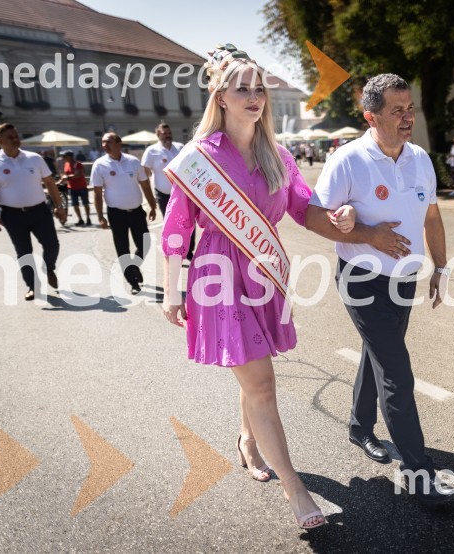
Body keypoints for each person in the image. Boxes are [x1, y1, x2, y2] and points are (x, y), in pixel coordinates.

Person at [160, 44, 355, 530]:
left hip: (265, 272)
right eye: (241, 88)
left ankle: (247, 440)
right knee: (262, 382)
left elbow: (304, 207)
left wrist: (342, 217)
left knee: (254, 374)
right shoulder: (199, 158)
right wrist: (171, 290)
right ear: (220, 97)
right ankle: (296, 489)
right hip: (218, 276)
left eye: (259, 88)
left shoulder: (277, 154)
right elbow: (177, 228)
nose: (253, 96)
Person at [306, 73, 454, 507]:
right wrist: (368, 234)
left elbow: (431, 217)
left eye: (410, 109)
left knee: (380, 353)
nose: (408, 118)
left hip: (404, 279)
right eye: (397, 111)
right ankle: (418, 473)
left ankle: (358, 426)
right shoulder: (347, 160)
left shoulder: (421, 158)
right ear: (371, 116)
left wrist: (440, 266)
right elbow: (314, 217)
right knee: (397, 370)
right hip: (360, 279)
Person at [0, 123, 66, 301]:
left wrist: (59, 206)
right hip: (12, 215)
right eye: (10, 137)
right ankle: (32, 286)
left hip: (40, 211)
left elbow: (50, 183)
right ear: (0, 141)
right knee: (23, 251)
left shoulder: (34, 158)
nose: (15, 139)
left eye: (16, 136)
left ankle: (48, 268)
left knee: (52, 245)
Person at [91, 132, 157, 295]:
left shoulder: (133, 162)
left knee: (145, 243)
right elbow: (97, 193)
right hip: (116, 214)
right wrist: (100, 216)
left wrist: (153, 205)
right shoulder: (100, 165)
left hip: (136, 211)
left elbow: (145, 184)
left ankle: (134, 266)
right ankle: (133, 282)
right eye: (103, 142)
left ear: (119, 144)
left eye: (109, 142)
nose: (104, 145)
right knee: (122, 248)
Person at [141, 122, 194, 260]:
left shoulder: (180, 147)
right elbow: (145, 171)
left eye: (169, 133)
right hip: (163, 194)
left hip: (183, 193)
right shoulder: (151, 151)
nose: (167, 135)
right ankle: (174, 252)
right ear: (158, 135)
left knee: (189, 221)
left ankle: (188, 250)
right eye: (164, 133)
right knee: (171, 223)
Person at [58, 150, 91, 226]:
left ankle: (88, 218)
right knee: (75, 204)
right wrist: (60, 181)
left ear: (69, 156)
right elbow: (65, 175)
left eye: (64, 156)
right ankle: (80, 219)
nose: (63, 157)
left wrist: (67, 177)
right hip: (71, 187)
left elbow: (78, 174)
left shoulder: (77, 164)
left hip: (81, 186)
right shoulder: (66, 164)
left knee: (85, 203)